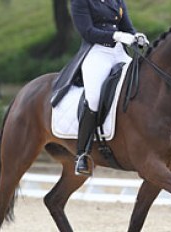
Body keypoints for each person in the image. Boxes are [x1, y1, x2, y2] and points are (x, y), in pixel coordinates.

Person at [71, 0, 149, 176]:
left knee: (142, 85)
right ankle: (82, 153)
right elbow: (87, 32)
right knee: (94, 99)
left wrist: (136, 37)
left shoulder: (117, 1)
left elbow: (128, 28)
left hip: (119, 53)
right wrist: (115, 36)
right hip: (97, 52)